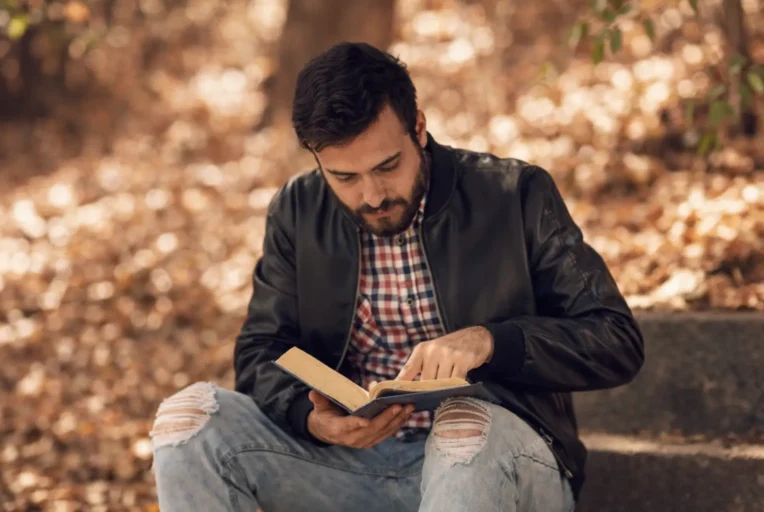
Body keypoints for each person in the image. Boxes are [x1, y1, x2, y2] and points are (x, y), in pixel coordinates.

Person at [149, 42, 644, 512]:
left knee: (462, 428)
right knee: (189, 421)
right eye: (344, 177)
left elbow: (615, 340)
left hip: (498, 461)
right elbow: (261, 351)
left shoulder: (514, 194)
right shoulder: (297, 210)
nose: (372, 195)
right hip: (350, 466)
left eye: (388, 166)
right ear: (316, 157)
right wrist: (311, 418)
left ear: (419, 128)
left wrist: (489, 343)